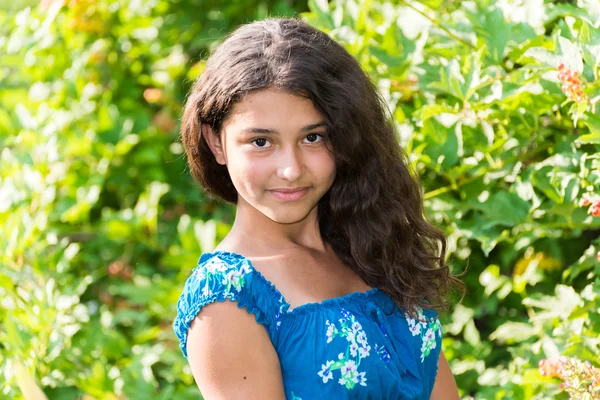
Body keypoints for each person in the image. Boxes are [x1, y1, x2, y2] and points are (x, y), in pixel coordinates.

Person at [173, 17, 464, 400]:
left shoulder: (370, 243)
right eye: (261, 142)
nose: (291, 169)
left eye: (313, 137)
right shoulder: (227, 299)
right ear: (216, 143)